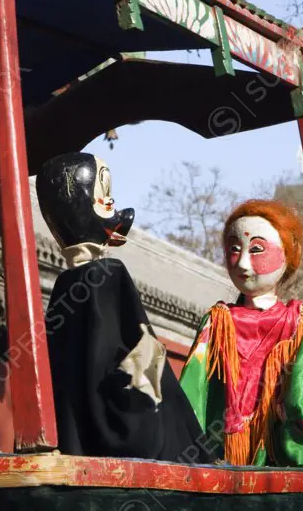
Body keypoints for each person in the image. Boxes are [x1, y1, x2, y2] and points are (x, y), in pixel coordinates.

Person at [37, 152, 206, 462]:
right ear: (84, 204)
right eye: (105, 195)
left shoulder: (64, 285)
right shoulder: (107, 274)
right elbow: (136, 360)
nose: (113, 204)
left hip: (79, 450)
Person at [179, 199, 303, 467]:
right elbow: (193, 391)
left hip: (281, 455)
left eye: (257, 250)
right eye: (234, 249)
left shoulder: (300, 326)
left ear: (288, 256)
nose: (243, 262)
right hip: (218, 455)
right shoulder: (217, 322)